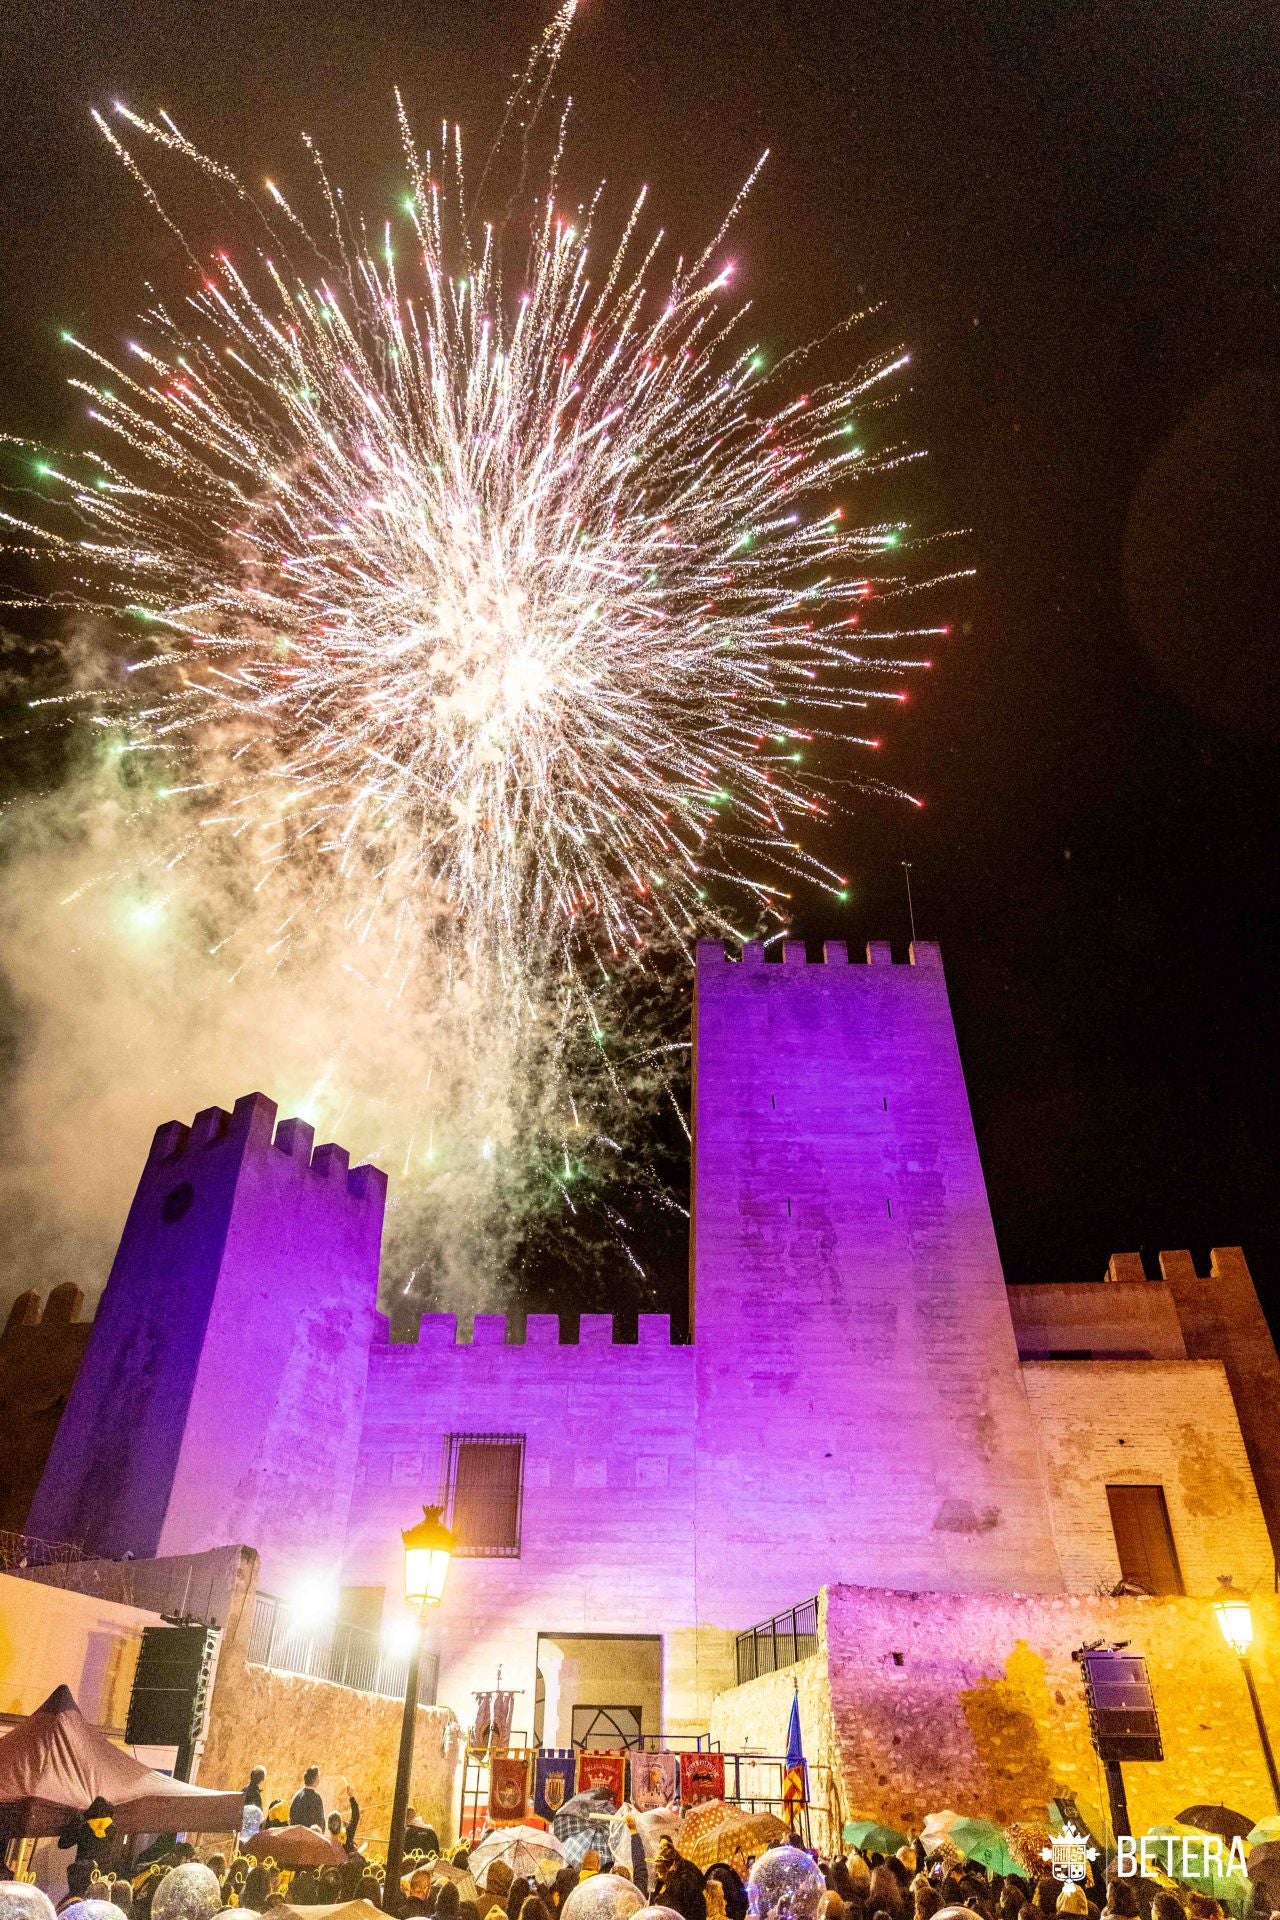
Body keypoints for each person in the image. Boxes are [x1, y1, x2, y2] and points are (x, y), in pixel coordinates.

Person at [59, 1799, 123, 1873]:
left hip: (83, 1873)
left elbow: (62, 1844)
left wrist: (76, 1821)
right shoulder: (113, 1829)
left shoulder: (84, 1828)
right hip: (102, 1873)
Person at [328, 1786, 361, 1858]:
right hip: (347, 1867)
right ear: (341, 1824)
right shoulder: (346, 1833)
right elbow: (355, 1817)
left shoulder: (326, 1840)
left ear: (328, 1826)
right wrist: (351, 1797)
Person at [291, 1767, 326, 1831]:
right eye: (318, 1777)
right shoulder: (316, 1798)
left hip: (296, 1836)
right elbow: (321, 1822)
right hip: (310, 1837)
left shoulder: (296, 1796)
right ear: (316, 1779)